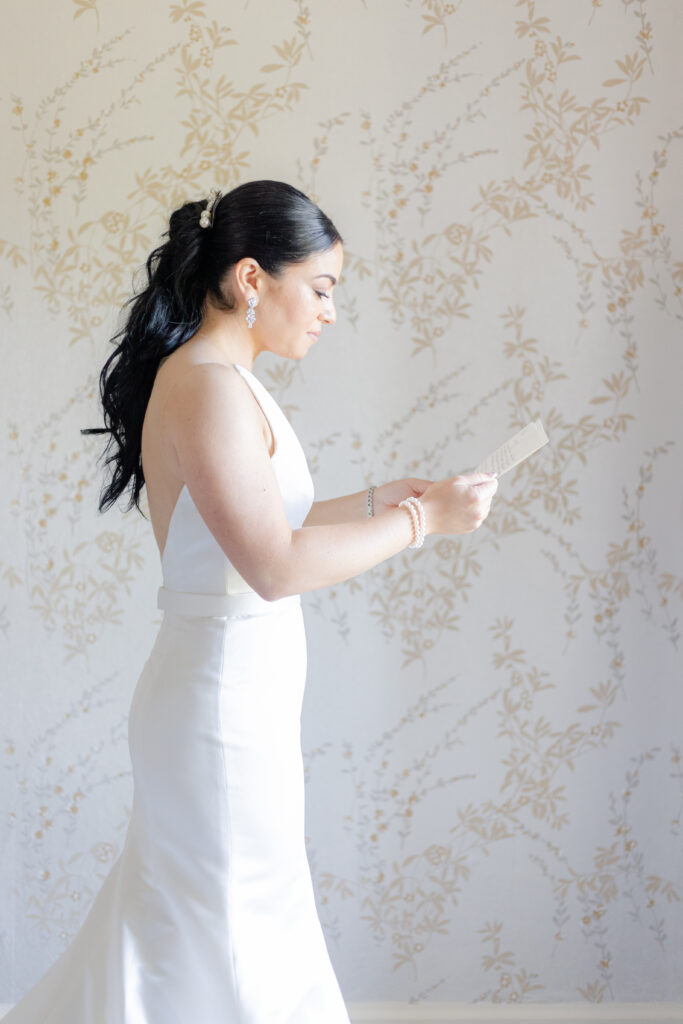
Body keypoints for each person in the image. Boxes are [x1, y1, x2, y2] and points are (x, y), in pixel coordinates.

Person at [4, 179, 498, 1023]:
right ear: (249, 279)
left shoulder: (226, 379)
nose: (329, 312)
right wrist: (422, 522)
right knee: (234, 925)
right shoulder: (206, 384)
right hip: (218, 706)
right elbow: (272, 565)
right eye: (321, 287)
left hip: (236, 697)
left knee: (204, 923)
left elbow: (269, 525)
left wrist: (390, 497)